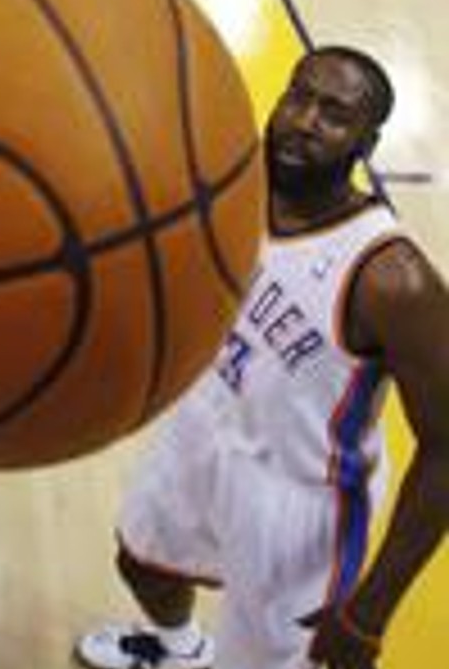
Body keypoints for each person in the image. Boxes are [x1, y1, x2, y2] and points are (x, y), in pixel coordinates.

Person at [76, 47, 449, 669]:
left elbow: (447, 449)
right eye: (298, 96)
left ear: (368, 141)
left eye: (335, 114)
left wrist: (369, 611)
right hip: (205, 427)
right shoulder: (236, 184)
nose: (305, 120)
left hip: (298, 502)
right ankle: (182, 650)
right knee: (140, 564)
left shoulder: (392, 279)